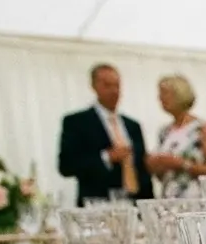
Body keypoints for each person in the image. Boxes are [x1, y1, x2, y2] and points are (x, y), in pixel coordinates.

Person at [58, 63, 154, 204]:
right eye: (107, 85)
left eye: (117, 86)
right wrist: (106, 157)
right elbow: (66, 166)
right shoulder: (77, 122)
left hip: (136, 204)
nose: (114, 91)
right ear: (94, 86)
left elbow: (142, 168)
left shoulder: (133, 126)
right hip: (98, 204)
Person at [146, 75, 206, 199]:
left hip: (197, 199)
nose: (160, 98)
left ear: (179, 95)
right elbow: (163, 177)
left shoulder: (202, 129)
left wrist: (182, 164)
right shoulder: (164, 132)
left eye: (165, 93)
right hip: (169, 201)